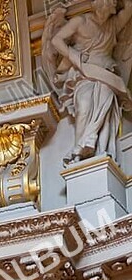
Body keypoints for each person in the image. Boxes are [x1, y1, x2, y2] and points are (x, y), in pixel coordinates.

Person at [43, 0, 132, 163]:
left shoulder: (113, 25)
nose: (114, 6)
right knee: (83, 107)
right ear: (102, 4)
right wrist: (73, 56)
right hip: (83, 74)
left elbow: (129, 9)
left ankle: (100, 151)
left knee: (104, 108)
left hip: (105, 74)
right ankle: (79, 149)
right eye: (111, 3)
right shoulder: (81, 21)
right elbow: (56, 40)